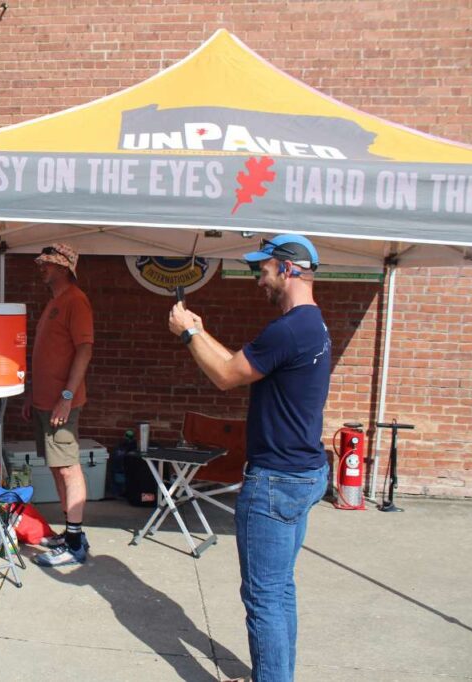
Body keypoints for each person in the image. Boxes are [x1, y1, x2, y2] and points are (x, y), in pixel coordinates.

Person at [168, 234, 331, 682]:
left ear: (288, 269)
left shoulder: (289, 329)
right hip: (302, 473)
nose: (259, 276)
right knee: (279, 591)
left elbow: (223, 376)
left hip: (276, 481)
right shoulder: (310, 325)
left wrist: (186, 334)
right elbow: (238, 366)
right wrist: (200, 332)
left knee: (263, 597)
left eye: (264, 267)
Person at [22, 243, 95, 567]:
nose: (42, 268)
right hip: (44, 402)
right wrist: (31, 394)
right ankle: (70, 533)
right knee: (56, 466)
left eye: (48, 264)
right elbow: (48, 354)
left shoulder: (76, 301)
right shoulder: (56, 302)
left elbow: (84, 351)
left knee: (68, 466)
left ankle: (76, 543)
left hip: (60, 404)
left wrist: (66, 397)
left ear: (64, 267)